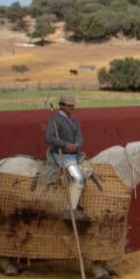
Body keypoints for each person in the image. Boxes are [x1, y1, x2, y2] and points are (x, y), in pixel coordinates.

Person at [45, 92, 91, 223]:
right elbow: (49, 137)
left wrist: (76, 145)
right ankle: (69, 210)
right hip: (61, 155)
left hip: (74, 154)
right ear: (61, 106)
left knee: (88, 172)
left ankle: (77, 202)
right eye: (69, 106)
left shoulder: (74, 120)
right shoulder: (55, 119)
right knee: (78, 178)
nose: (72, 108)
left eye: (73, 106)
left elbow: (80, 137)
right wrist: (65, 145)